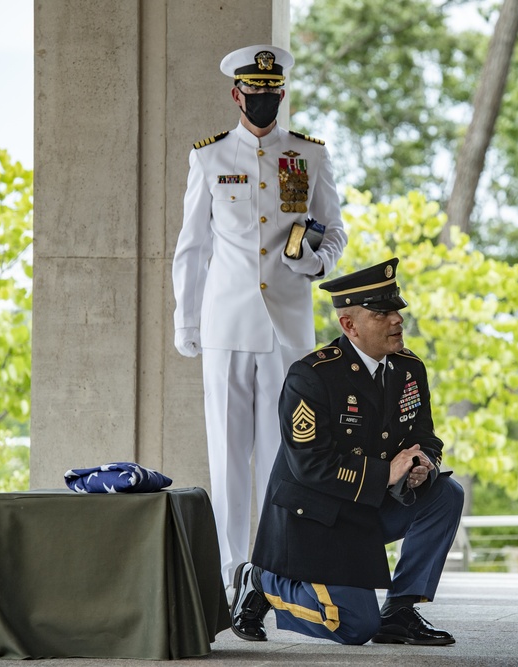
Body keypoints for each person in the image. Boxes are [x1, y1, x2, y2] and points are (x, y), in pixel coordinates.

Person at [171, 44, 348, 586]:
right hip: (226, 326)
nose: (263, 100)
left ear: (282, 94)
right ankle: (232, 574)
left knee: (287, 453)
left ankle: (278, 571)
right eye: (254, 92)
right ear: (236, 94)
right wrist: (187, 320)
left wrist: (314, 261)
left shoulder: (310, 156)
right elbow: (192, 247)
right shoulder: (210, 157)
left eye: (272, 92)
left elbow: (335, 232)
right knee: (226, 456)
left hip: (287, 329)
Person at [227, 258, 464, 646]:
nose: (397, 321)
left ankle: (400, 611)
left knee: (445, 494)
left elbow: (425, 435)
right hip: (315, 518)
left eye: (397, 311)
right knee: (355, 627)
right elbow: (310, 465)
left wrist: (423, 465)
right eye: (383, 313)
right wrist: (386, 473)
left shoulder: (408, 368)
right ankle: (263, 581)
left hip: (366, 506)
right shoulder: (313, 376)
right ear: (349, 325)